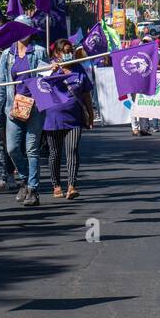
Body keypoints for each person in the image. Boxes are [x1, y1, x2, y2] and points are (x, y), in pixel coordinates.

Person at [0, 21, 48, 205]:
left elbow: (45, 79)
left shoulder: (39, 51)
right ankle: (25, 179)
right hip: (14, 107)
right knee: (12, 148)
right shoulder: (7, 55)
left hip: (35, 107)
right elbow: (1, 87)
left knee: (32, 148)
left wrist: (52, 69)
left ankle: (33, 189)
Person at [42, 39, 95, 199]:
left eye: (70, 50)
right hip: (53, 119)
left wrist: (90, 114)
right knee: (55, 153)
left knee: (72, 150)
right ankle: (56, 185)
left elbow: (86, 94)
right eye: (65, 51)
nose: (69, 53)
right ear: (57, 53)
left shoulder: (78, 69)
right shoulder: (48, 69)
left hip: (74, 119)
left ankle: (72, 185)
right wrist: (50, 72)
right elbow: (37, 87)